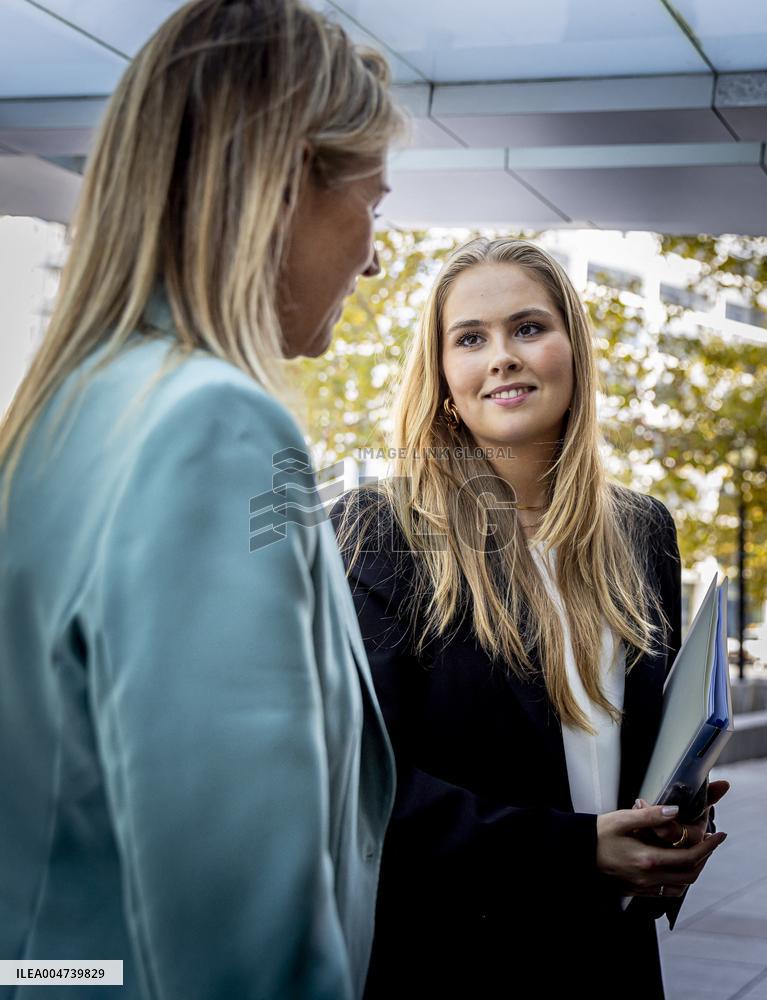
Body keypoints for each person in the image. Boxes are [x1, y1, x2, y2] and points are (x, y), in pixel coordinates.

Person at [0, 2, 405, 997]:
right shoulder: (213, 427)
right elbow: (241, 949)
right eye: (372, 204)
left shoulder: (70, 411)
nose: (375, 254)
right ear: (286, 179)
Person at [332, 238, 730, 999]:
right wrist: (574, 849)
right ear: (444, 377)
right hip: (451, 959)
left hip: (609, 958)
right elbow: (358, 785)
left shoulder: (642, 532)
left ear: (571, 353)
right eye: (470, 338)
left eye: (528, 328)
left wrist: (672, 818)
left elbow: (629, 746)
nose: (502, 356)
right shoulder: (378, 530)